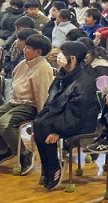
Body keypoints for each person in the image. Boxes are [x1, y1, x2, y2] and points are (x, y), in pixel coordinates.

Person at [0, 33, 55, 175]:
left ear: (38, 52)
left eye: (28, 48)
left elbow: (43, 96)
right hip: (15, 102)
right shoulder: (23, 64)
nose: (24, 49)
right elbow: (14, 84)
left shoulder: (43, 68)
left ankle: (24, 154)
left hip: (30, 106)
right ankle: (4, 150)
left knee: (3, 124)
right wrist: (11, 100)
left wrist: (41, 120)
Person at [33, 41, 101, 190]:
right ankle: (47, 165)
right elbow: (52, 101)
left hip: (82, 122)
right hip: (64, 116)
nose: (59, 56)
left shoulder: (84, 80)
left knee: (45, 127)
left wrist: (58, 131)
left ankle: (54, 167)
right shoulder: (63, 74)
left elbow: (77, 112)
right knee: (38, 123)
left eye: (62, 54)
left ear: (73, 58)